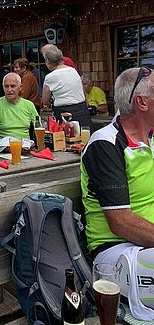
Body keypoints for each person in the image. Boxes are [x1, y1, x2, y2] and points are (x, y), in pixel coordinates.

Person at [81, 67, 154, 320]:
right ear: (141, 102)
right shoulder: (106, 144)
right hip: (116, 252)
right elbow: (121, 222)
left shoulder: (151, 139)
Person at [42, 45, 91, 127]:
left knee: (65, 137)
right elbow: (82, 91)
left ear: (47, 61)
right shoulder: (73, 71)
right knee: (84, 136)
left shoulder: (49, 77)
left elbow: (45, 100)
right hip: (81, 109)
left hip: (64, 113)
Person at [0, 73, 38, 143]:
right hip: (5, 145)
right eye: (6, 86)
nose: (9, 89)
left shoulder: (29, 105)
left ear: (20, 87)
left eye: (12, 86)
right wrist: (2, 146)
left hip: (25, 146)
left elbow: (39, 127)